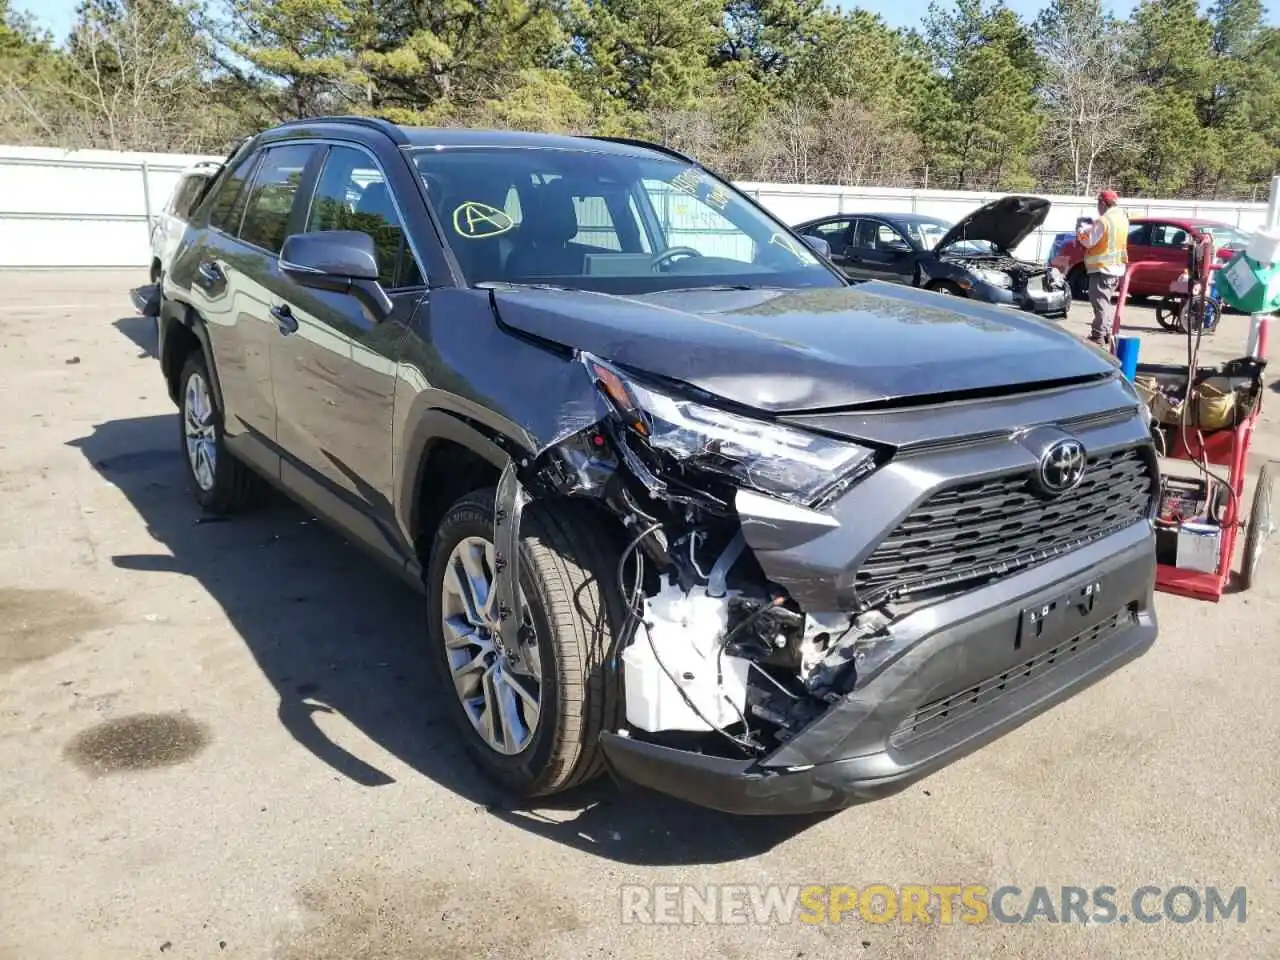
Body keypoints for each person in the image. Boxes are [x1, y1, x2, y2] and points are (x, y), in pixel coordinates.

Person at [1075, 189, 1130, 346]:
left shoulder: (1104, 220)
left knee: (1099, 303)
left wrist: (1081, 232)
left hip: (1103, 268)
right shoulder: (1122, 218)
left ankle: (1098, 335)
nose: (1097, 207)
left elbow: (1089, 242)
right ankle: (1105, 333)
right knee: (1105, 303)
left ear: (1103, 203)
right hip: (1116, 267)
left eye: (1098, 203)